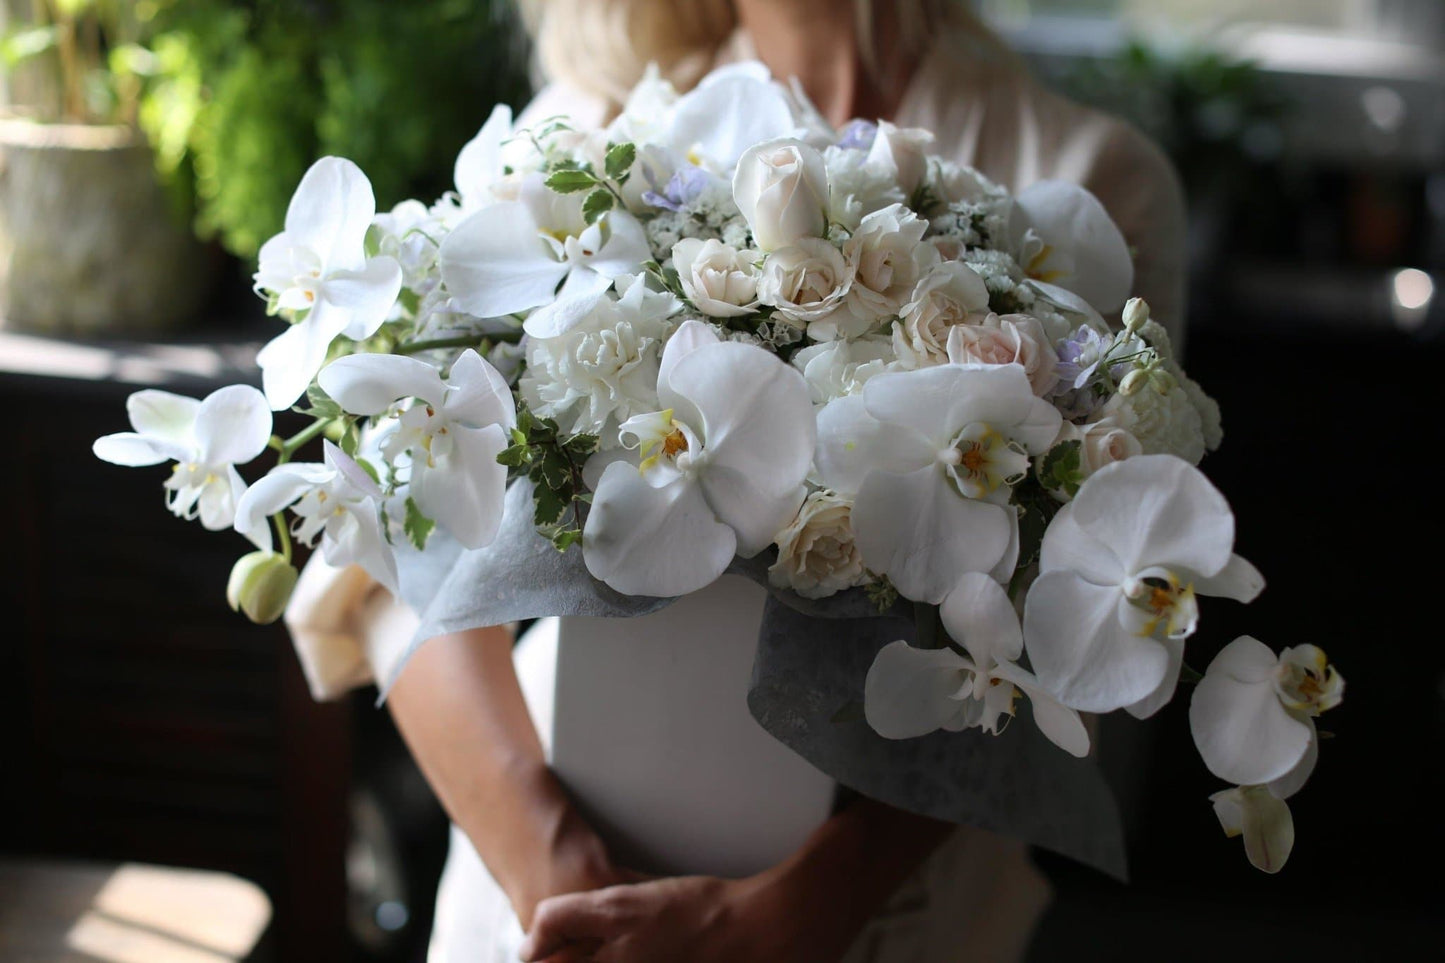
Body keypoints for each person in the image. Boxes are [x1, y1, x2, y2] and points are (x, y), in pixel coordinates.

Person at [284, 2, 1190, 960]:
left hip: (875, 915)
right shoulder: (594, 129)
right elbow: (394, 580)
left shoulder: (1091, 179)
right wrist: (553, 874)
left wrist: (801, 911)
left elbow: (1082, 638)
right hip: (546, 889)